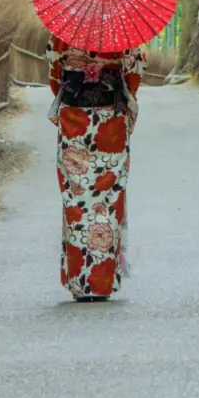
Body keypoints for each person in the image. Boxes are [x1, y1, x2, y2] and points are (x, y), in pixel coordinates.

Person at [46, 35, 143, 301]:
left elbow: (55, 75)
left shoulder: (64, 32)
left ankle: (80, 282)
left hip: (74, 119)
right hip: (110, 120)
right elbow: (134, 72)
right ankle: (102, 283)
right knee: (108, 198)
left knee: (76, 197)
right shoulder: (122, 31)